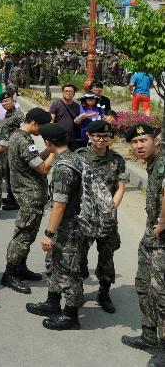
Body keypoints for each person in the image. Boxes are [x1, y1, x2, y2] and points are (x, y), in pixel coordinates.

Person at [26, 123, 85, 330]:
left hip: (69, 226)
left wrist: (48, 233)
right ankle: (52, 303)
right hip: (69, 224)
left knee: (68, 271)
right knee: (54, 264)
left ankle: (70, 315)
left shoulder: (62, 168)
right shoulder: (74, 157)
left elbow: (59, 205)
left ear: (48, 142)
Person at [121, 124, 165, 362]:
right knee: (144, 285)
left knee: (161, 294)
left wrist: (163, 221)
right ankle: (149, 336)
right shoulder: (153, 163)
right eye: (135, 143)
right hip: (151, 237)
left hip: (162, 239)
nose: (139, 146)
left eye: (143, 141)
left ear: (155, 141)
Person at [1, 108, 56, 294]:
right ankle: (10, 273)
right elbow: (42, 169)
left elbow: (34, 160)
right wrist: (56, 153)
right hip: (29, 195)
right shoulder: (23, 140)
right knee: (23, 235)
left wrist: (49, 148)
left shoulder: (21, 137)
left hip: (30, 194)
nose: (42, 131)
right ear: (34, 123)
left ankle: (20, 268)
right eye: (42, 127)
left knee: (29, 234)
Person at [76, 120, 126, 313]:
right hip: (85, 216)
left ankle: (104, 291)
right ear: (89, 136)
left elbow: (120, 187)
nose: (101, 139)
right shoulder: (79, 157)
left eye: (106, 136)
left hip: (107, 217)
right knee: (80, 254)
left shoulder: (117, 160)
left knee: (107, 255)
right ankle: (77, 288)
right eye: (97, 136)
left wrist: (110, 209)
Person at [49, 84, 81, 150]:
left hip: (72, 139)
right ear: (62, 92)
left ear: (74, 93)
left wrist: (79, 122)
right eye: (66, 91)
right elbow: (51, 120)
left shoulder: (77, 106)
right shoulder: (56, 104)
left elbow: (79, 122)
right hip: (59, 138)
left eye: (71, 91)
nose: (68, 93)